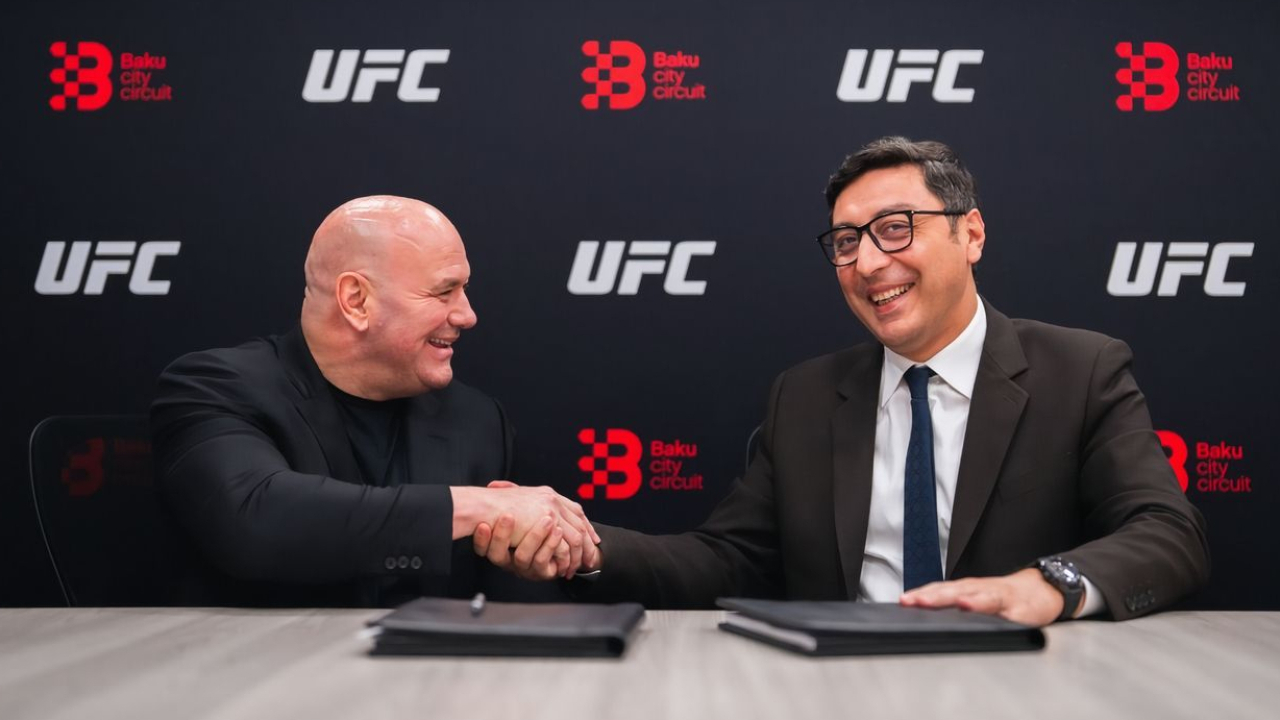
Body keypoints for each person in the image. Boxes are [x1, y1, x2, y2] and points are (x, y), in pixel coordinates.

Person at [476, 137, 1210, 626]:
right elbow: (726, 561)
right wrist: (589, 548)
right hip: (839, 688)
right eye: (847, 242)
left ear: (971, 234)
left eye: (896, 228)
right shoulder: (804, 398)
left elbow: (1167, 534)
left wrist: (1045, 587)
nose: (868, 263)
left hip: (1023, 684)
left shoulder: (1080, 371)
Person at [151, 196, 598, 606]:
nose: (467, 315)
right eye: (443, 292)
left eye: (464, 290)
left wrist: (550, 555)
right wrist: (479, 506)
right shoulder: (214, 387)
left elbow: (513, 596)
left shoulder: (477, 420)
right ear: (356, 300)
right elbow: (255, 520)